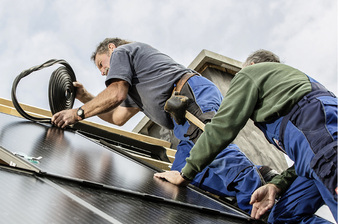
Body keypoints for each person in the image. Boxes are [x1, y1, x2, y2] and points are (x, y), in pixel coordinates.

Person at [51, 38, 273, 214]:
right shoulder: (135, 88)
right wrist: (85, 97)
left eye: (101, 64)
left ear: (111, 48)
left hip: (189, 97)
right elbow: (116, 118)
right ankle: (256, 174)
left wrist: (78, 113)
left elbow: (115, 93)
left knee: (209, 143)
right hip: (180, 124)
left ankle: (258, 194)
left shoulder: (123, 52)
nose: (102, 71)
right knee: (181, 179)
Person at [160, 49, 337, 224]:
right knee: (283, 218)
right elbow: (306, 158)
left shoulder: (251, 74)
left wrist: (185, 172)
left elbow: (221, 126)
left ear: (252, 66)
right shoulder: (291, 99)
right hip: (316, 157)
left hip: (327, 153)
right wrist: (275, 185)